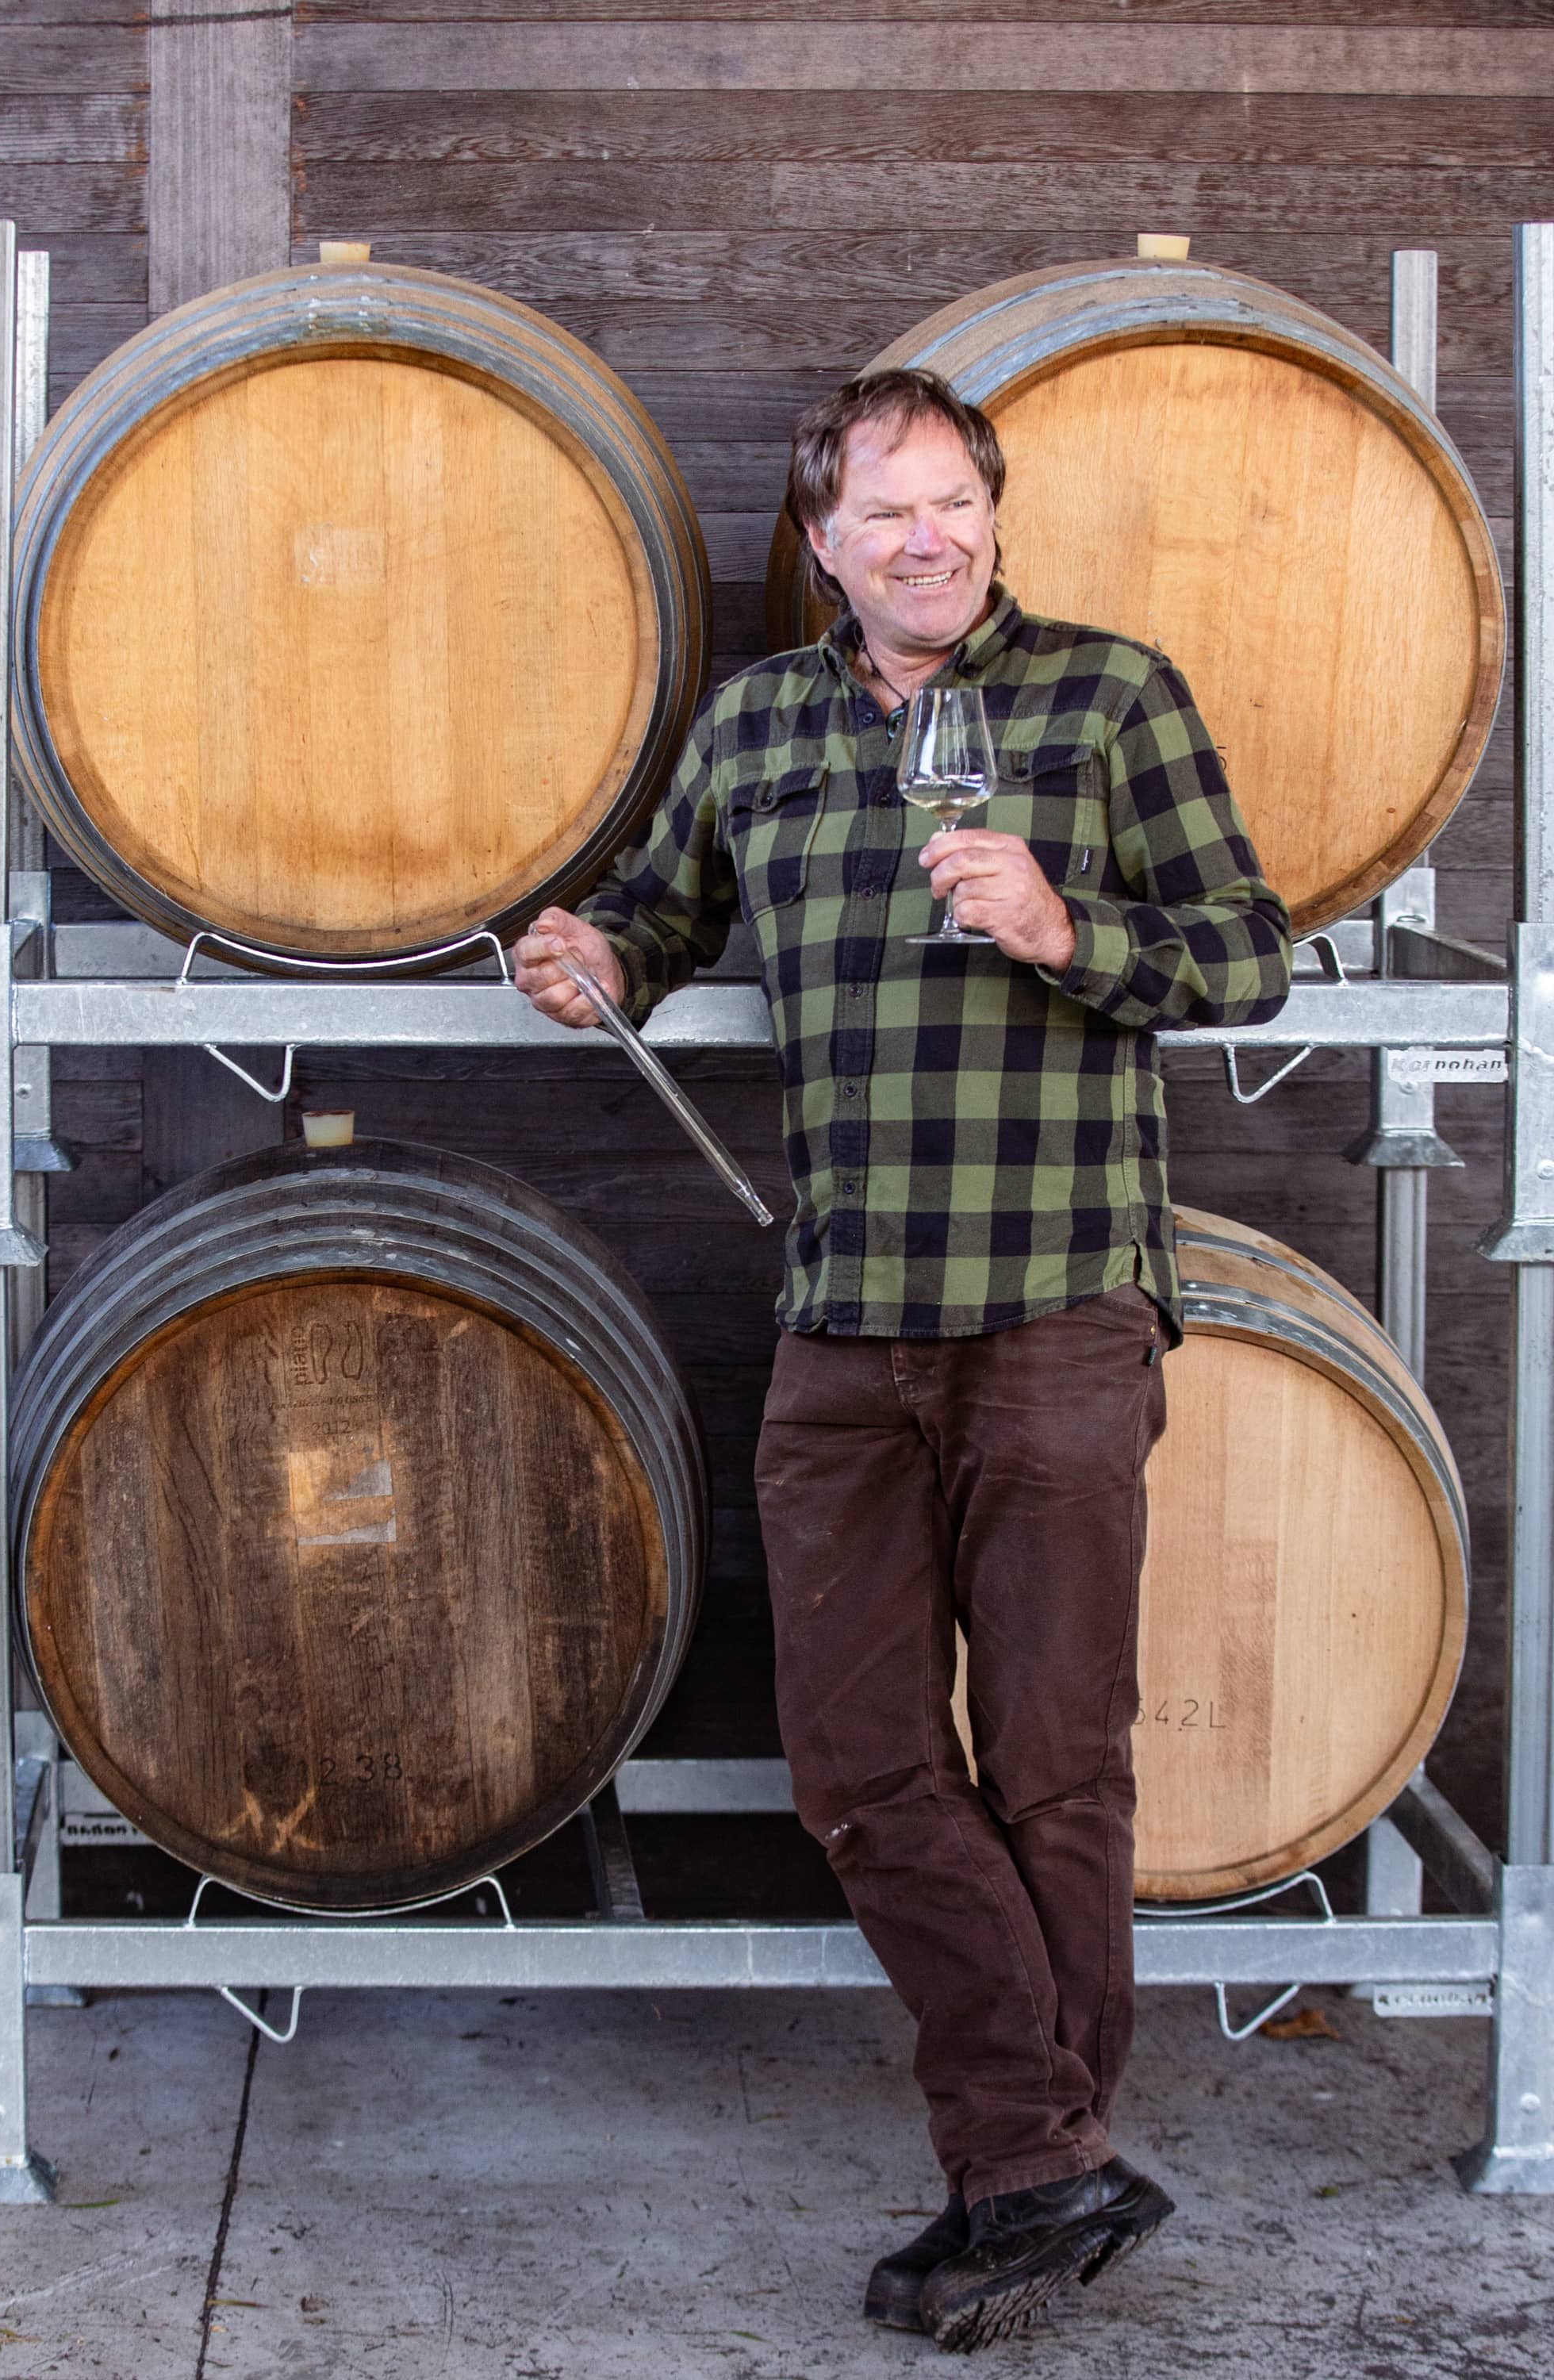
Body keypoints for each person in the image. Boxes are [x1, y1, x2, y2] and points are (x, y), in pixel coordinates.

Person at [514, 369, 1292, 2351]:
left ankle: (1016, 2173)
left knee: (1054, 1766)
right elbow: (654, 917)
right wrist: (586, 960)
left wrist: (1063, 925)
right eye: (883, 512)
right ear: (826, 542)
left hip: (1053, 1309)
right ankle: (1045, 2162)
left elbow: (1246, 948)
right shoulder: (761, 725)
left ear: (993, 516)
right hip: (846, 1314)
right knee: (858, 1760)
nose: (924, 538)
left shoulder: (1105, 699)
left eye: (952, 501)